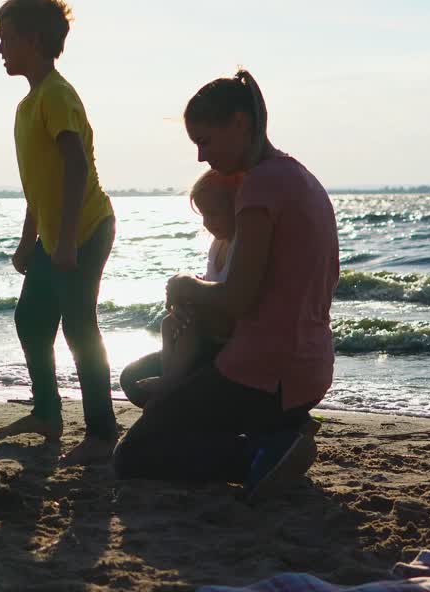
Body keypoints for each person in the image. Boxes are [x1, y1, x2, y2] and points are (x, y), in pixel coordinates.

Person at [112, 69, 339, 503]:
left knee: (134, 457)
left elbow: (237, 297)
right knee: (140, 377)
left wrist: (184, 286)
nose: (200, 156)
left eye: (205, 141)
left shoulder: (261, 186)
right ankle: (274, 429)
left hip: (265, 372)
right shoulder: (298, 176)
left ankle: (258, 451)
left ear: (239, 123)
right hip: (306, 365)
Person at [0, 0, 119, 464]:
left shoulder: (58, 95)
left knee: (79, 327)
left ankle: (102, 433)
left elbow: (75, 165)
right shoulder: (29, 105)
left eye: (7, 40)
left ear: (35, 40)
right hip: (55, 233)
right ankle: (47, 413)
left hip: (84, 227)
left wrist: (64, 240)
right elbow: (39, 185)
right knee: (32, 321)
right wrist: (29, 241)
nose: (0, 50)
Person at [127, 170, 240, 405]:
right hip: (208, 325)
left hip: (226, 333)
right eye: (203, 215)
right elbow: (209, 281)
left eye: (214, 214)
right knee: (168, 323)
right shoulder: (218, 244)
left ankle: (170, 382)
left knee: (192, 325)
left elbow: (231, 293)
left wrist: (194, 295)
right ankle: (170, 375)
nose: (207, 222)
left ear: (236, 207)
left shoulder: (242, 245)